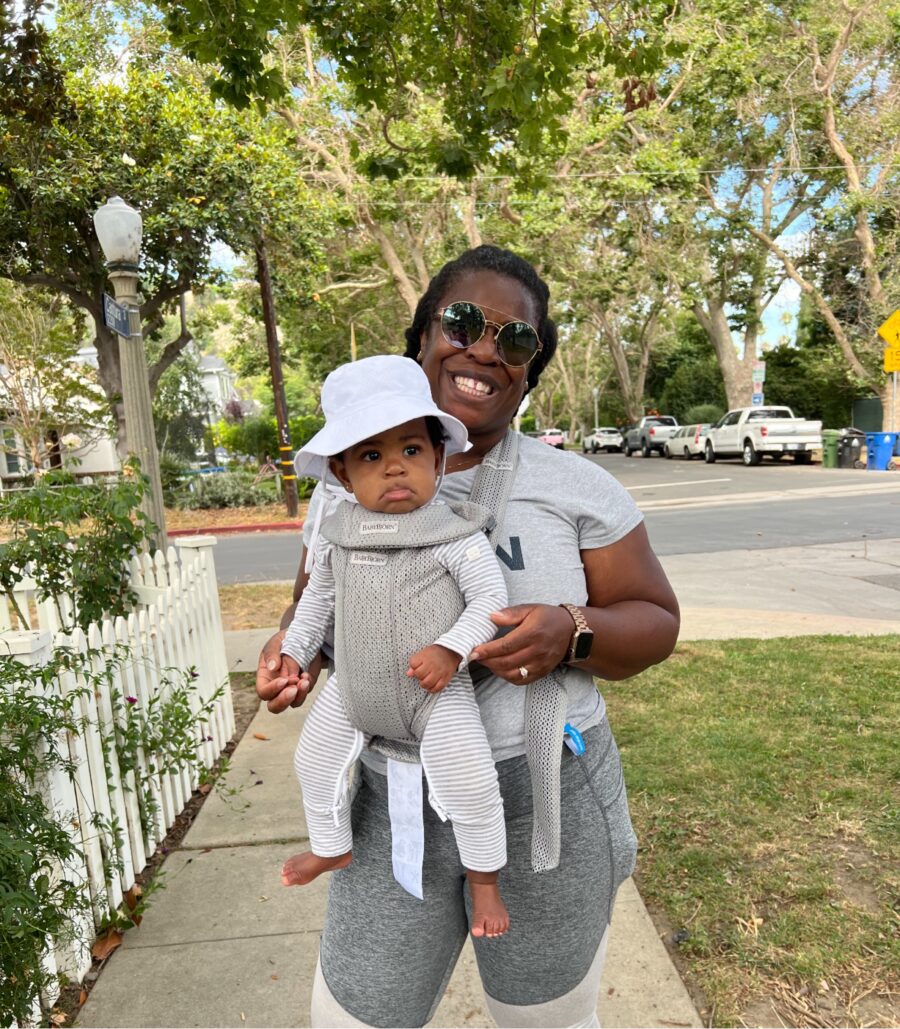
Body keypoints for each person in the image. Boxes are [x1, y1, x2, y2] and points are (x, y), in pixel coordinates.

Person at [257, 244, 680, 1029]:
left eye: (516, 340)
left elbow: (656, 620)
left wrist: (571, 632)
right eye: (462, 322)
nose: (485, 348)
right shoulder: (345, 482)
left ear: (530, 369)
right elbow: (316, 604)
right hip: (389, 802)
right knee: (352, 1019)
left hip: (538, 797)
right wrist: (293, 655)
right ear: (422, 337)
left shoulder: (576, 486)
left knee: (543, 1022)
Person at [279, 355, 510, 938]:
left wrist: (452, 649)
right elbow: (316, 603)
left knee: (473, 782)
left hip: (434, 694)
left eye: (411, 451)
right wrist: (296, 654)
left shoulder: (452, 534)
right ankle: (331, 847)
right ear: (341, 473)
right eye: (371, 456)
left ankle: (485, 882)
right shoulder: (339, 536)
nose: (394, 470)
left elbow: (490, 601)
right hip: (353, 690)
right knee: (313, 760)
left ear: (439, 457)